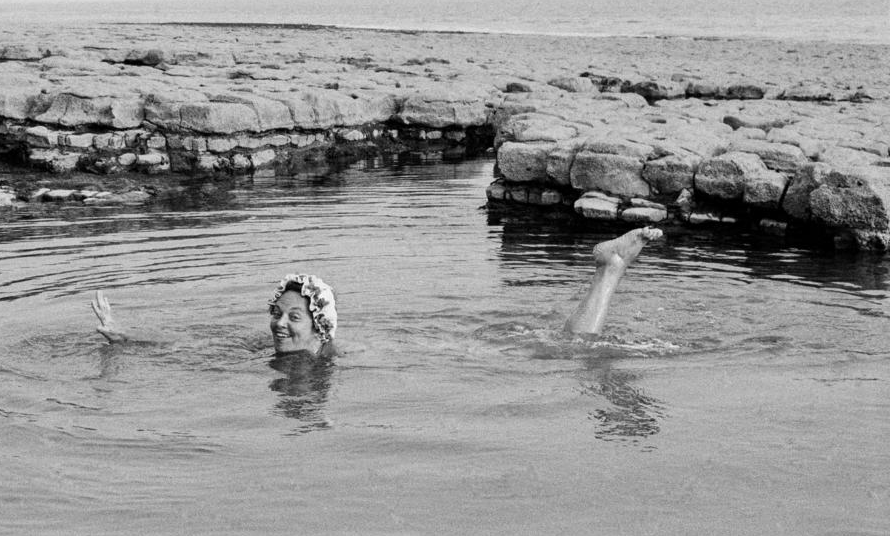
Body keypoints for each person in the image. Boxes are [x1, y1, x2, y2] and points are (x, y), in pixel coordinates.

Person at [90, 227, 663, 355]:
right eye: (276, 314)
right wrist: (120, 336)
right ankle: (607, 271)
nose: (278, 323)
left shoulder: (336, 361)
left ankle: (609, 271)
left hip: (454, 355)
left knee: (570, 355)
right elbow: (178, 354)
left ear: (321, 325)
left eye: (292, 316)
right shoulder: (255, 357)